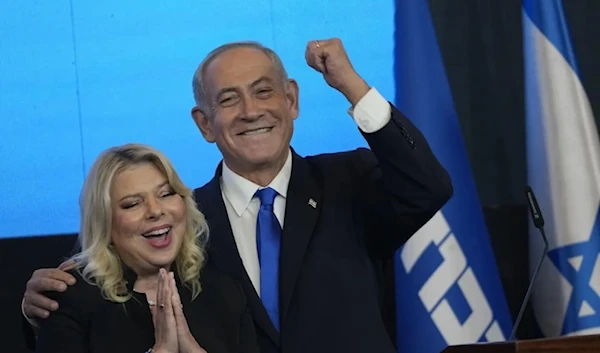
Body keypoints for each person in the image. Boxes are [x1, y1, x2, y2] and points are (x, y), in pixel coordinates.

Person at [23, 38, 453, 353]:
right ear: (204, 124)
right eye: (228, 100)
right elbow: (109, 297)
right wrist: (47, 303)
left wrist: (352, 85)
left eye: (264, 91)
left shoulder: (349, 180)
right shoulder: (180, 224)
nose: (250, 111)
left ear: (292, 99)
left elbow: (427, 187)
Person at [32, 143, 259, 353]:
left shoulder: (223, 289)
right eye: (132, 204)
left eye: (166, 194)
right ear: (105, 222)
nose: (155, 210)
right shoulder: (72, 300)